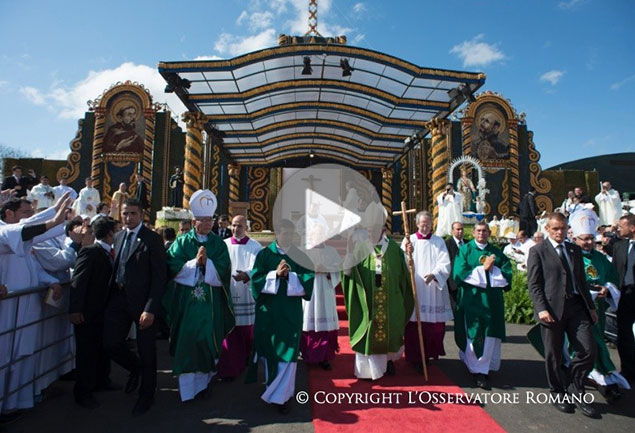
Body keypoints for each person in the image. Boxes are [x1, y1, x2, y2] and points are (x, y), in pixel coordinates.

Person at [0, 194, 71, 417]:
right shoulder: (4, 231)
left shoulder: (21, 239)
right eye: (24, 213)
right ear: (8, 213)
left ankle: (16, 402)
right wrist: (51, 219)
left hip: (25, 308)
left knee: (23, 354)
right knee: (4, 357)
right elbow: (25, 229)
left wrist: (51, 282)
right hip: (7, 310)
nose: (28, 218)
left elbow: (33, 264)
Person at [527, 212, 599, 418]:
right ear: (547, 229)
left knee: (587, 349)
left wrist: (591, 308)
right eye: (555, 228)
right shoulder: (537, 251)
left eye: (563, 228)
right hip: (551, 309)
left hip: (577, 307)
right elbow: (534, 283)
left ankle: (576, 386)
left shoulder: (574, 249)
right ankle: (558, 392)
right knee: (553, 354)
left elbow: (581, 281)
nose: (560, 232)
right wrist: (541, 308)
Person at [164, 190, 234, 401]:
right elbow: (171, 265)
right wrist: (195, 263)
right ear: (193, 221)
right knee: (188, 340)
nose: (207, 223)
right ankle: (187, 389)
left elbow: (224, 269)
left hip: (210, 302)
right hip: (187, 303)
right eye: (203, 219)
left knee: (206, 340)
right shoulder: (183, 242)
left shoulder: (219, 244)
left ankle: (203, 384)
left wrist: (207, 264)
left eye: (210, 219)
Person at [103, 198, 167, 416]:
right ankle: (134, 367)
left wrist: (150, 308)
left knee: (147, 350)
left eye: (132, 213)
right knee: (110, 343)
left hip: (143, 304)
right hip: (119, 299)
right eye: (125, 214)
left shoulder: (152, 240)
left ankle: (146, 395)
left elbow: (160, 277)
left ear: (141, 215)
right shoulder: (119, 236)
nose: (128, 217)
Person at [247, 219, 314, 414]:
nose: (286, 237)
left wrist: (289, 277)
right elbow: (255, 280)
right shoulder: (265, 254)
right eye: (283, 233)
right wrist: (274, 275)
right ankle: (272, 387)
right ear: (277, 233)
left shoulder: (300, 256)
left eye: (290, 234)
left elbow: (308, 280)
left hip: (290, 313)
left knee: (289, 352)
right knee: (271, 352)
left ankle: (283, 396)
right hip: (269, 313)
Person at [342, 217, 414, 381]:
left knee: (390, 330)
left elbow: (404, 275)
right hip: (367, 302)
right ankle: (366, 371)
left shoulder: (395, 250)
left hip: (391, 300)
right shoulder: (359, 249)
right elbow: (348, 273)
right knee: (368, 331)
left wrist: (410, 257)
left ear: (384, 230)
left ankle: (388, 362)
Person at [570, 210, 630, 402]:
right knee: (591, 343)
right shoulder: (571, 256)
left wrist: (607, 288)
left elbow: (613, 277)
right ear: (576, 238)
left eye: (590, 238)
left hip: (599, 309)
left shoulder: (600, 258)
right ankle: (601, 375)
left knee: (595, 341)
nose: (588, 242)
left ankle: (595, 374)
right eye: (584, 239)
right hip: (579, 308)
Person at [453, 221, 512, 389]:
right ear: (473, 233)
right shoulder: (465, 250)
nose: (481, 233)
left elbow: (507, 273)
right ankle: (477, 370)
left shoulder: (496, 252)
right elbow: (458, 273)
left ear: (489, 232)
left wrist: (493, 270)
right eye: (478, 230)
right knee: (474, 332)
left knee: (490, 333)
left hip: (492, 300)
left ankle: (484, 368)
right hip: (472, 300)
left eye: (484, 230)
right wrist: (483, 269)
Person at [69, 217, 118, 409]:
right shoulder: (90, 252)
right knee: (87, 353)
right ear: (109, 234)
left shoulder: (110, 253)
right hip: (88, 313)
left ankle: (102, 380)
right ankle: (83, 392)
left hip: (103, 312)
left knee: (101, 349)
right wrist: (75, 309)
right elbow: (78, 282)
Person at [401, 211, 451, 372]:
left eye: (428, 223)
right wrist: (406, 252)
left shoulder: (439, 241)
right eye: (423, 223)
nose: (425, 226)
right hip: (415, 287)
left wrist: (435, 274)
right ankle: (415, 357)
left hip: (433, 290)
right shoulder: (409, 241)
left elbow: (445, 263)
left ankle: (429, 355)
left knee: (433, 327)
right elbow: (401, 262)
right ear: (416, 224)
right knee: (414, 324)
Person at [216, 215, 262, 380]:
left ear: (246, 228)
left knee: (245, 330)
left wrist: (247, 274)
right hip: (228, 291)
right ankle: (230, 366)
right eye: (233, 226)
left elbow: (258, 267)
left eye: (239, 226)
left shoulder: (255, 247)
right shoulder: (224, 244)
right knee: (230, 330)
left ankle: (246, 357)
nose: (236, 229)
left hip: (245, 292)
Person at [300, 224, 340, 370]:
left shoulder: (332, 251)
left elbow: (338, 270)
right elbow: (298, 270)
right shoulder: (303, 250)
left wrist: (327, 269)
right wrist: (310, 270)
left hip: (325, 289)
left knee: (325, 325)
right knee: (308, 323)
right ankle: (307, 354)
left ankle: (324, 357)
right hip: (309, 290)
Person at [610, 214, 635, 383]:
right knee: (624, 334)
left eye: (622, 226)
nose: (618, 228)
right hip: (624, 296)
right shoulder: (619, 246)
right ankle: (628, 370)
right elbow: (613, 270)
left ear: (632, 228)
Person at [445, 222, 464, 302]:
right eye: (458, 229)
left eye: (462, 229)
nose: (460, 231)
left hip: (466, 283)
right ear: (452, 231)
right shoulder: (446, 244)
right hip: (453, 284)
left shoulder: (468, 243)